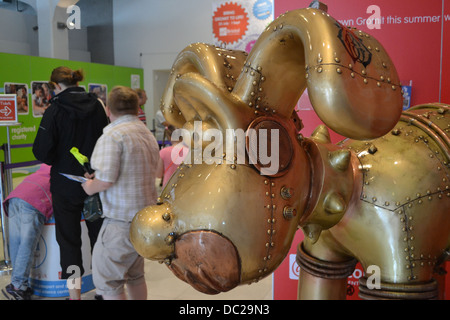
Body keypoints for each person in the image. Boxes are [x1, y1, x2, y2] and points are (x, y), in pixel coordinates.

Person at [32, 66, 109, 300]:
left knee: (69, 241)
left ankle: (74, 295)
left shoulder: (55, 109)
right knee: (100, 238)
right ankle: (105, 290)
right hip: (94, 181)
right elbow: (106, 140)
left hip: (65, 184)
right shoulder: (98, 105)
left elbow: (42, 151)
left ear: (55, 86)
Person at [81, 86, 160, 300]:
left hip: (119, 222)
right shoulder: (146, 133)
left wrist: (89, 186)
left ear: (108, 109)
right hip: (143, 221)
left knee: (108, 281)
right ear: (137, 108)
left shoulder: (112, 136)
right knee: (135, 276)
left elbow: (105, 180)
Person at [1, 164, 52, 300]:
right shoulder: (61, 170)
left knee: (16, 243)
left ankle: (18, 284)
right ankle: (17, 287)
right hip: (32, 202)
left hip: (15, 197)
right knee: (27, 245)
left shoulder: (45, 167)